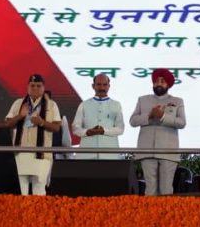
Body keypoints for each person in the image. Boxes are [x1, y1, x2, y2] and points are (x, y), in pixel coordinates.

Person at [130, 68, 186, 196]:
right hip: (147, 150)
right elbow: (133, 121)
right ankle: (150, 210)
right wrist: (148, 116)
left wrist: (163, 117)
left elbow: (182, 123)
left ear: (168, 84)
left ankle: (166, 210)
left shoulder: (177, 101)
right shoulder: (142, 100)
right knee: (150, 190)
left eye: (162, 81)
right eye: (156, 81)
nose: (159, 84)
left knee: (166, 190)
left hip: (168, 152)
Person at [4, 74, 61, 195]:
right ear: (27, 87)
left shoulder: (51, 105)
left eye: (38, 86)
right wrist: (20, 115)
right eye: (32, 85)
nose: (35, 88)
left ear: (43, 87)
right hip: (20, 153)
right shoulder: (18, 103)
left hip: (42, 154)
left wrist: (42, 122)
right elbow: (8, 124)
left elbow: (56, 127)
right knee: (21, 191)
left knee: (39, 191)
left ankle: (38, 209)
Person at [72, 74, 124, 159]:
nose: (102, 88)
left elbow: (120, 129)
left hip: (110, 155)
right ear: (93, 86)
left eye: (104, 84)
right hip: (86, 154)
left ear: (109, 86)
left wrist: (104, 131)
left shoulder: (116, 105)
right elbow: (75, 128)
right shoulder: (84, 104)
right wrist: (87, 132)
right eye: (99, 84)